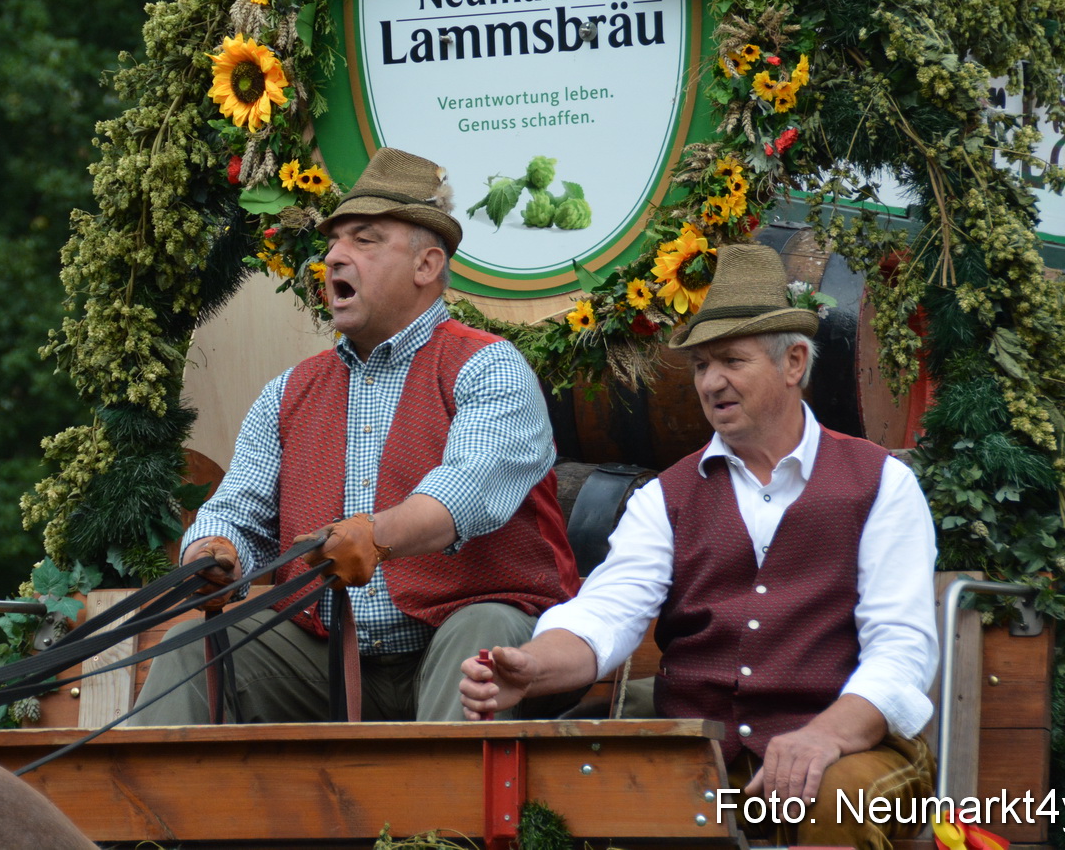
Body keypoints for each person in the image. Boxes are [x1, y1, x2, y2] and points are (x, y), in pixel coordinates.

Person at [459, 243, 939, 850]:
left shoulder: (880, 483)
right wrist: (533, 667)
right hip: (708, 756)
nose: (711, 382)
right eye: (700, 366)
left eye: (731, 361)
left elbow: (902, 650)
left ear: (794, 362)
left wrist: (825, 736)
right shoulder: (668, 495)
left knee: (829, 799)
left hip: (855, 750)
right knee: (574, 797)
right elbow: (608, 612)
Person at [129, 147, 580, 725]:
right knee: (197, 643)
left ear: (426, 265)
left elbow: (463, 494)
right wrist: (215, 553)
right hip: (329, 655)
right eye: (334, 244)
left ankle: (448, 818)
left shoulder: (488, 367)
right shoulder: (287, 392)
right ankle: (144, 816)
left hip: (468, 634)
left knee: (483, 634)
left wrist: (375, 533)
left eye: (364, 240)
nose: (336, 257)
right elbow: (237, 513)